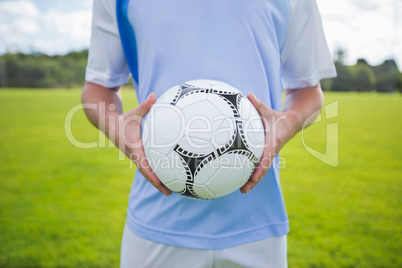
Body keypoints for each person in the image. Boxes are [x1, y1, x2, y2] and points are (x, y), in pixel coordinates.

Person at [82, 0, 336, 267]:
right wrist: (116, 126)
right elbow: (99, 85)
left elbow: (307, 89)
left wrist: (288, 122)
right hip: (156, 223)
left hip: (258, 223)